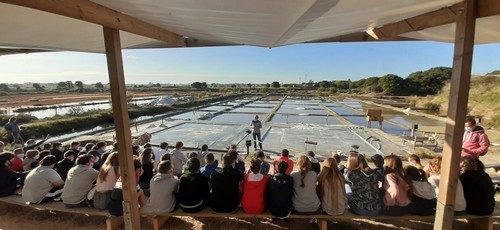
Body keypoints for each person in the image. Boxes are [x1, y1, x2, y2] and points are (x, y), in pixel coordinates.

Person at [345, 151, 383, 216]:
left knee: (346, 187)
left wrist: (346, 168)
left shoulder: (350, 174)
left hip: (361, 209)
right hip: (376, 209)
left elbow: (344, 178)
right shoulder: (375, 173)